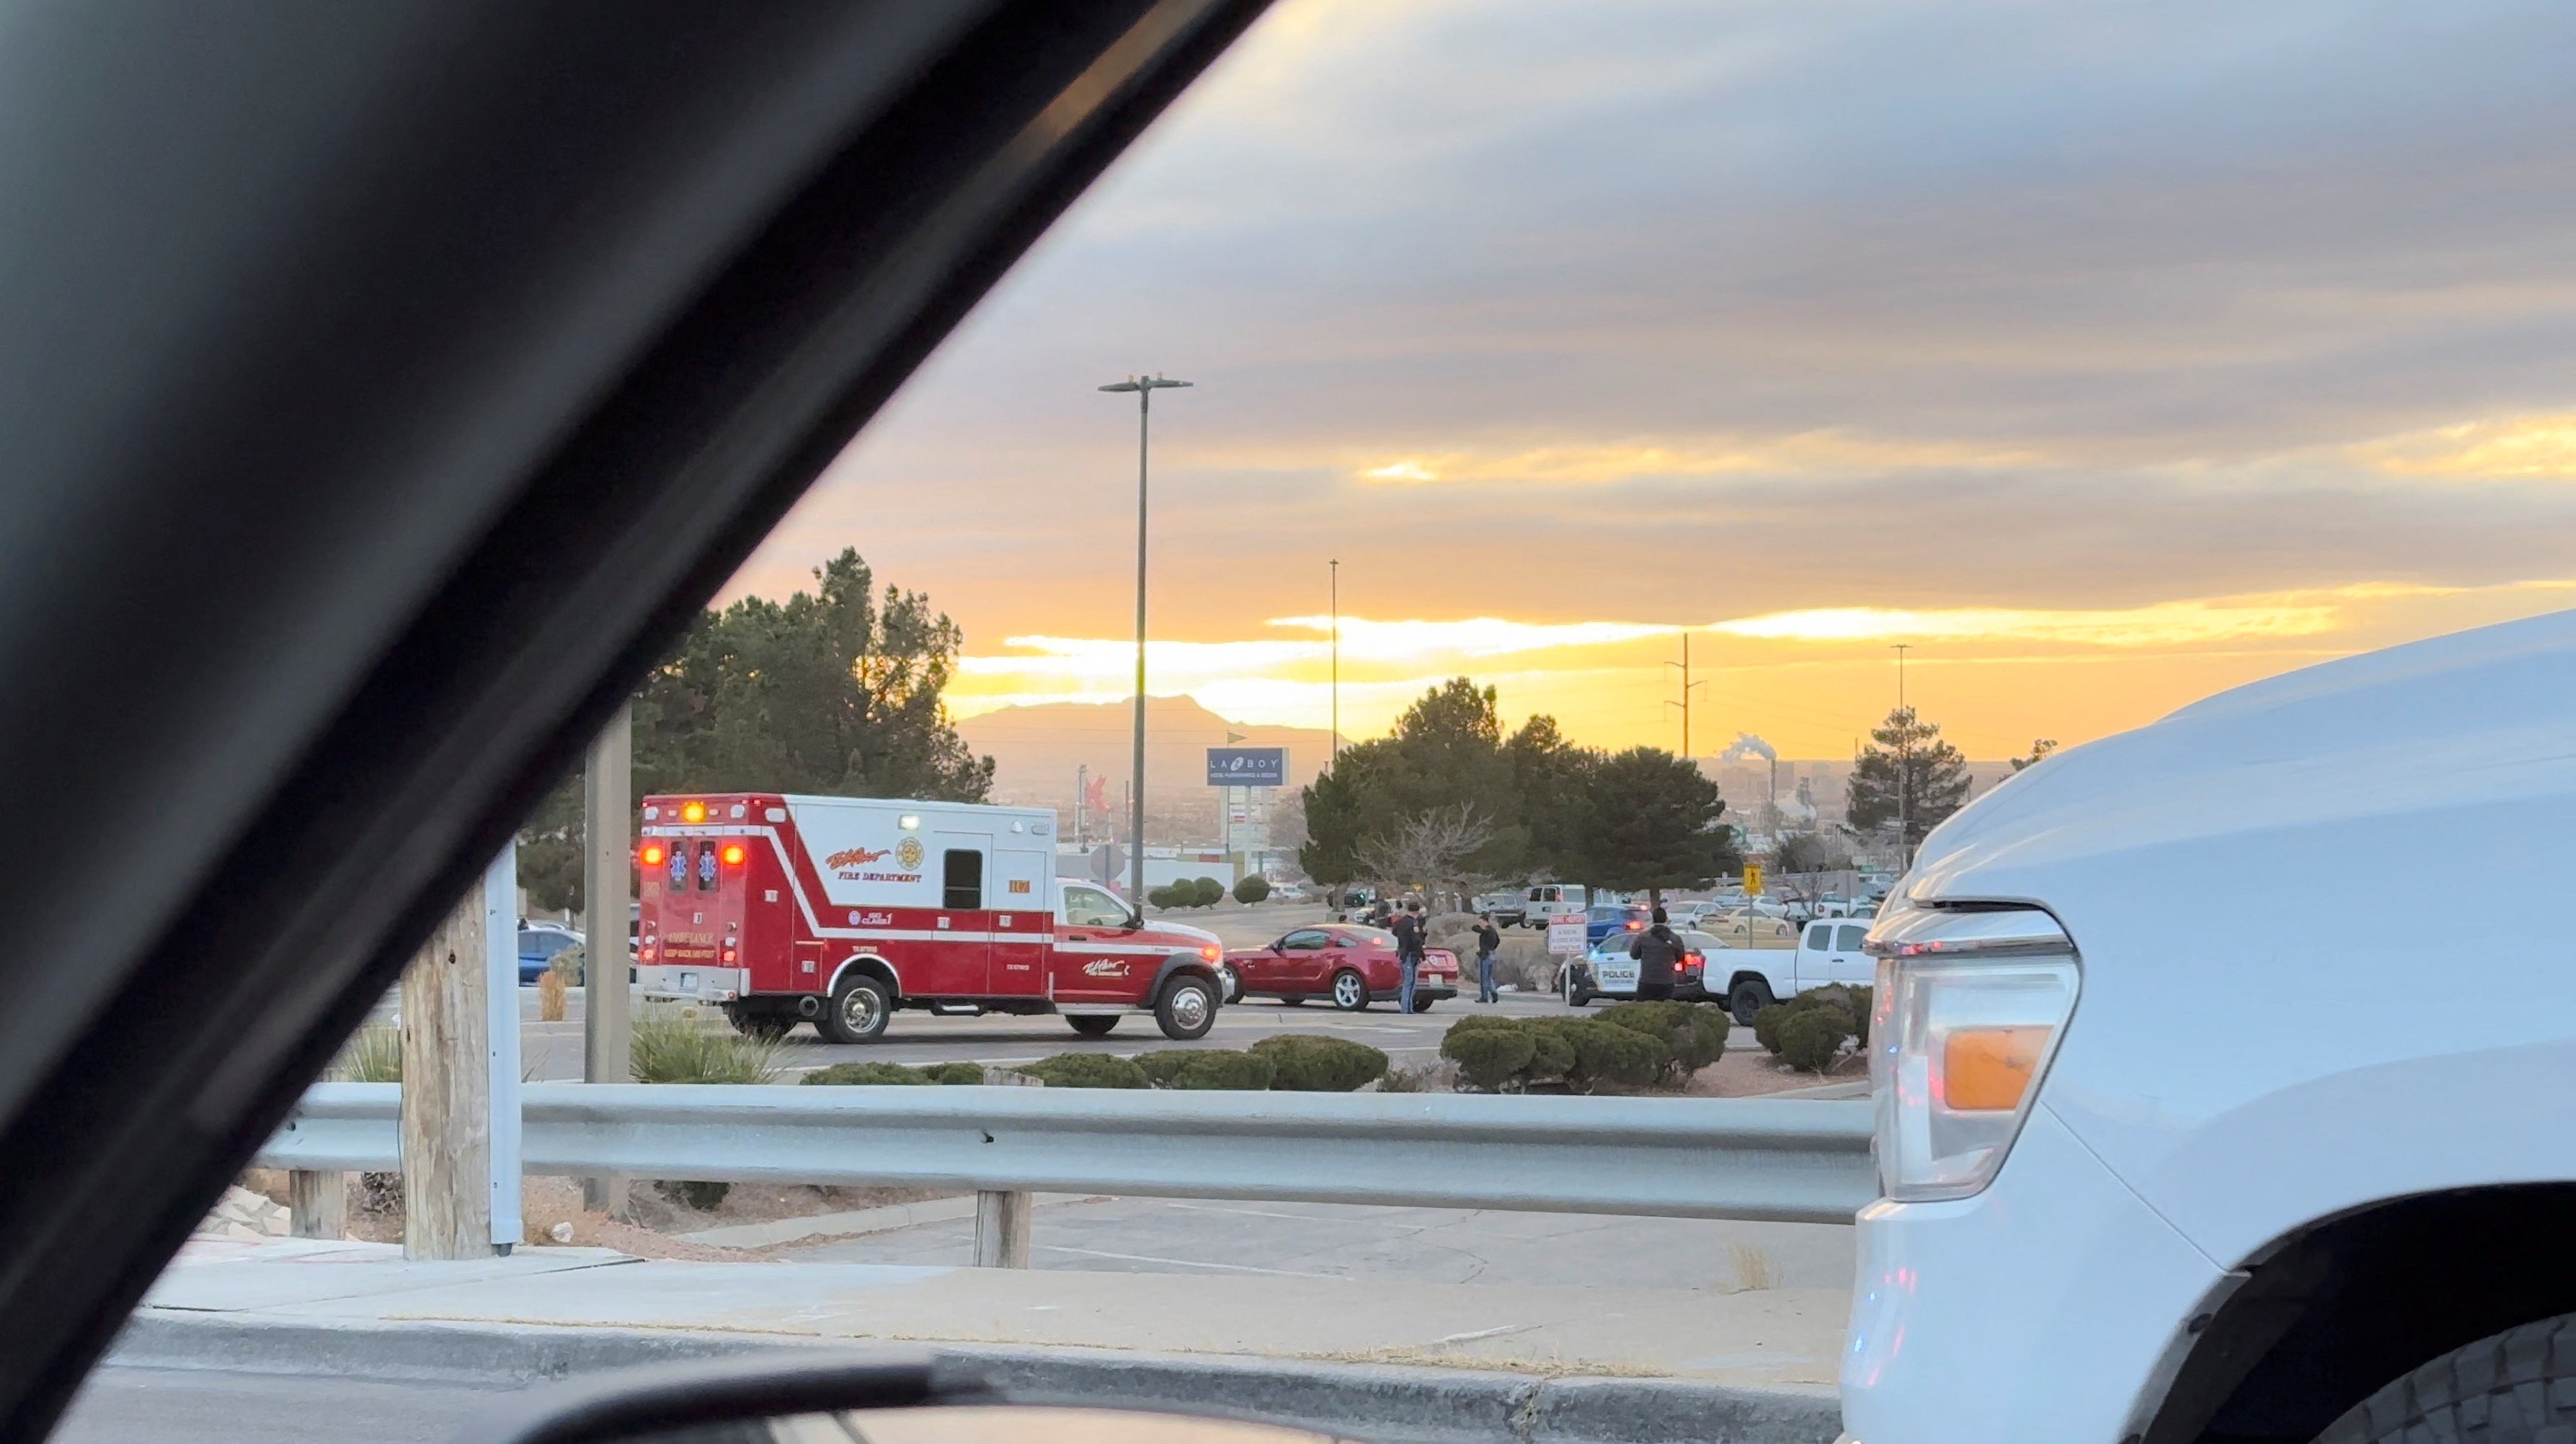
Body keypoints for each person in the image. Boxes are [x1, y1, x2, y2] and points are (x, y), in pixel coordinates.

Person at [1633, 906, 1682, 1001]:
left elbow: (1634, 955)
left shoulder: (1642, 937)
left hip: (1647, 980)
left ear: (1653, 919)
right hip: (1667, 980)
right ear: (1666, 919)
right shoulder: (1675, 938)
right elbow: (1680, 957)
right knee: (1665, 1010)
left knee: (1644, 1010)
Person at [1392, 900, 1425, 1013]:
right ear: (1417, 912)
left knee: (1406, 982)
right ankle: (1406, 1009)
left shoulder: (1400, 922)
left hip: (1402, 954)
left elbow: (1394, 933)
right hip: (1411, 955)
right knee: (1410, 983)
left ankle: (1407, 1008)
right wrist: (1422, 955)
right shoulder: (1413, 924)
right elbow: (1416, 941)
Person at [1474, 913, 1503, 1002]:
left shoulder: (1487, 931)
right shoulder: (1493, 931)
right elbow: (1498, 941)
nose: (1479, 924)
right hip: (1492, 954)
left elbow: (1474, 928)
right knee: (1489, 977)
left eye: (1480, 922)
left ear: (1484, 922)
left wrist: (1485, 949)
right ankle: (1494, 992)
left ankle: (1484, 996)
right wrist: (1492, 948)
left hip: (1485, 955)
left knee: (1484, 977)